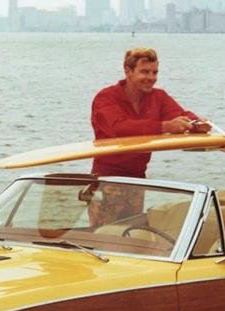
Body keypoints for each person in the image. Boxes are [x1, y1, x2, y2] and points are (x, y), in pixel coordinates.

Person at [87, 48, 209, 226]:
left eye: (155, 72)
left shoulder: (158, 97)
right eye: (144, 72)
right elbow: (119, 128)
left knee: (131, 233)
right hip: (107, 180)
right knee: (104, 236)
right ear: (128, 71)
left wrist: (198, 123)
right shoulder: (105, 98)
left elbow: (179, 114)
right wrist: (164, 126)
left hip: (137, 181)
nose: (151, 77)